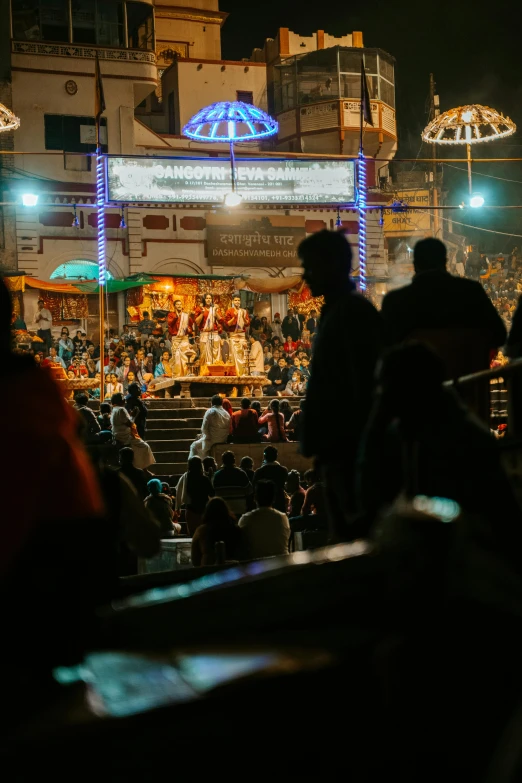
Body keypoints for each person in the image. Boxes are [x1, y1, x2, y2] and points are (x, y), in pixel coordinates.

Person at [356, 343, 522, 562]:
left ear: (409, 389)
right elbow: (370, 498)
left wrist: (375, 425)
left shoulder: (462, 440)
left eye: (385, 387)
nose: (379, 395)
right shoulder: (408, 431)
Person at [298, 229, 384, 542]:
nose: (305, 276)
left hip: (350, 451)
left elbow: (362, 387)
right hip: (339, 450)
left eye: (310, 266)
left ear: (332, 265)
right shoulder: (338, 311)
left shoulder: (352, 313)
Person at [381, 238, 506, 367]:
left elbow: (382, 347)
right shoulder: (472, 292)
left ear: (415, 265)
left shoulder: (395, 301)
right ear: (445, 262)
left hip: (414, 381)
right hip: (466, 381)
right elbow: (499, 335)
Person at [238, 480, 290, 559]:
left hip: (256, 568)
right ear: (274, 499)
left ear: (255, 498)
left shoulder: (246, 519)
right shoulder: (283, 518)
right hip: (282, 566)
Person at [111, 392, 155, 470]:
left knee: (139, 449)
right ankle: (144, 469)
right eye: (123, 399)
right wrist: (134, 415)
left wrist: (131, 415)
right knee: (145, 447)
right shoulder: (121, 409)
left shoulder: (114, 409)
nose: (125, 400)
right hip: (125, 436)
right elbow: (130, 423)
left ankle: (141, 467)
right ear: (120, 401)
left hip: (119, 434)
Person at [191, 497, 241, 566]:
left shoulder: (201, 531)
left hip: (208, 573)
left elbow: (195, 560)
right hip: (233, 572)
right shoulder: (236, 529)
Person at [175, 456, 215, 535]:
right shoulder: (204, 479)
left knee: (192, 535)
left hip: (190, 510)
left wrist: (177, 507)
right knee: (203, 534)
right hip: (204, 510)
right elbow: (212, 494)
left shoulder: (185, 478)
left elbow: (178, 491)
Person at [189, 394, 231, 460]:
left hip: (211, 440)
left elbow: (204, 428)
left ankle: (193, 467)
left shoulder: (210, 411)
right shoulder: (227, 414)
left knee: (194, 446)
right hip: (223, 439)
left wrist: (203, 437)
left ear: (212, 403)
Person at [253, 445, 288, 512]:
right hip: (279, 501)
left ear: (264, 456)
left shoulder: (259, 471)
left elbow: (254, 487)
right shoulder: (283, 470)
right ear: (276, 456)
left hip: (263, 502)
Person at [194, 293, 222, 375]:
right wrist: (202, 313)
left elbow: (220, 320)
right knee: (204, 355)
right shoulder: (200, 309)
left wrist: (215, 311)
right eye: (207, 298)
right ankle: (204, 373)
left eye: (210, 298)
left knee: (216, 354)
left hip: (214, 334)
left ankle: (216, 373)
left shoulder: (215, 309)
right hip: (204, 334)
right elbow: (196, 322)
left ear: (212, 300)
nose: (208, 300)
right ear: (204, 299)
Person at [223, 294, 251, 376]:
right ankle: (235, 373)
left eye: (238, 300)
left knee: (243, 355)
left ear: (240, 301)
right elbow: (227, 324)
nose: (237, 302)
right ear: (232, 301)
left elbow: (247, 323)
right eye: (235, 300)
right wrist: (234, 317)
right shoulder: (229, 311)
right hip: (234, 336)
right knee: (234, 356)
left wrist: (242, 317)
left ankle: (243, 373)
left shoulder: (244, 311)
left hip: (242, 336)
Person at [167, 299, 195, 377]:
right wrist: (177, 316)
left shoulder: (185, 315)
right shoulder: (171, 315)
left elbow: (190, 326)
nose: (179, 305)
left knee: (185, 357)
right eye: (177, 304)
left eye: (180, 304)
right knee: (176, 357)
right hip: (176, 338)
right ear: (174, 306)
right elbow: (170, 323)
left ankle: (185, 374)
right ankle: (177, 375)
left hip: (184, 338)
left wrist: (189, 330)